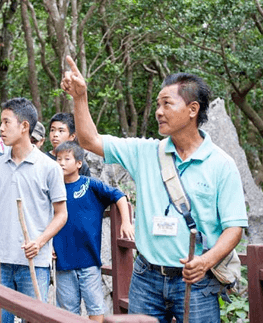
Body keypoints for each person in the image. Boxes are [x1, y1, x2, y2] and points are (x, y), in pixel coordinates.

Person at [61, 56, 248, 322]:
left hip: (196, 283)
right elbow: (90, 141)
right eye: (158, 104)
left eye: (167, 104)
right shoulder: (145, 152)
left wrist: (205, 262)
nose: (158, 111)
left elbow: (234, 227)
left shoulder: (221, 164)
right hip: (145, 278)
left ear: (193, 109)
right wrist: (80, 98)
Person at [0, 97, 68, 323]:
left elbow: (62, 214)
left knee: (34, 320)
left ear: (24, 127)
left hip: (34, 261)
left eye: (6, 122)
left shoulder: (50, 167)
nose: (0, 129)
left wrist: (39, 242)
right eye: (0, 123)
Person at [53, 140, 134, 323]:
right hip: (63, 261)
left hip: (89, 260)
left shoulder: (90, 185)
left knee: (95, 307)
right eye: (58, 159)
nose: (62, 163)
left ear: (79, 163)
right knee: (67, 312)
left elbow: (118, 196)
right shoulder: (53, 188)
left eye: (67, 159)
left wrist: (126, 223)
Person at [46, 112, 91, 176]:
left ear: (72, 136)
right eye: (52, 130)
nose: (55, 135)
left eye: (61, 131)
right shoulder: (43, 159)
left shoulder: (79, 163)